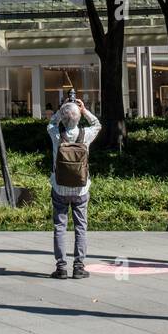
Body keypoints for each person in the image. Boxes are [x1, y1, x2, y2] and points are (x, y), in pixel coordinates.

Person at [47, 94, 100, 280]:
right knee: (81, 227)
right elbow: (97, 124)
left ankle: (61, 267)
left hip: (60, 187)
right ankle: (79, 266)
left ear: (63, 117)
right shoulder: (86, 135)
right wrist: (84, 110)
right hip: (81, 188)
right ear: (78, 117)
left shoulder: (56, 134)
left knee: (59, 226)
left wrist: (61, 108)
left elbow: (51, 123)